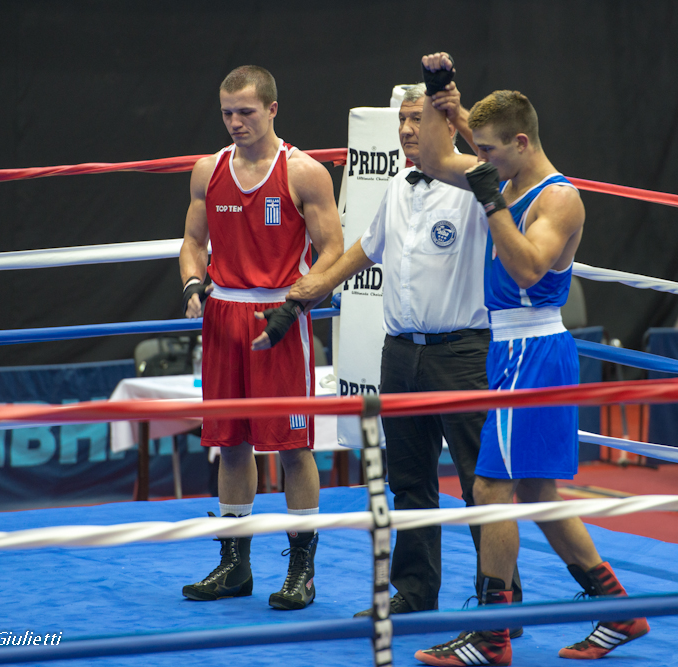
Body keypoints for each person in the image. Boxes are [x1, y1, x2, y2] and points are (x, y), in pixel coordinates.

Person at [412, 53, 649, 666]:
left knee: (492, 485)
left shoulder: (558, 199)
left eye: (489, 150)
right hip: (510, 349)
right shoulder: (507, 176)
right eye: (480, 148)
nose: (480, 158)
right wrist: (442, 97)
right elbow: (438, 158)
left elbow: (525, 266)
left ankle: (493, 635)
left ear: (520, 142)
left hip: (534, 348)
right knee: (537, 489)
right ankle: (619, 611)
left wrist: (490, 199)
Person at [286, 83, 523, 620]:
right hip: (401, 355)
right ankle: (415, 595)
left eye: (420, 119)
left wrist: (456, 116)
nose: (409, 130)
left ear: (442, 125)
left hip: (462, 351)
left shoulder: (474, 182)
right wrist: (308, 290)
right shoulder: (397, 185)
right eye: (403, 121)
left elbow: (503, 172)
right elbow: (363, 250)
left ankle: (501, 601)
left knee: (479, 484)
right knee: (410, 481)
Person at [178, 65, 344, 610]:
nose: (235, 123)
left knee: (293, 447)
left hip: (280, 319)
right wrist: (194, 283)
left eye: (246, 112)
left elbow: (334, 257)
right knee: (230, 444)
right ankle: (233, 565)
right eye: (227, 113)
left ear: (273, 109)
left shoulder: (304, 173)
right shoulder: (208, 170)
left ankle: (302, 571)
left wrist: (295, 303)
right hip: (222, 314)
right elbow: (191, 241)